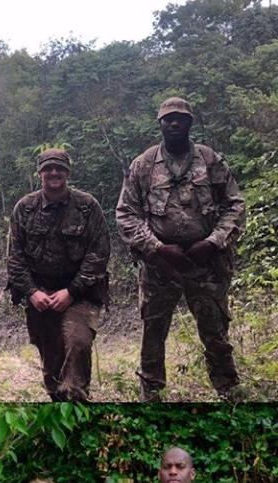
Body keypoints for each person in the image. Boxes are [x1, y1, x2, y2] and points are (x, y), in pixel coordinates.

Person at [115, 97, 246, 402]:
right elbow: (126, 213)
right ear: (159, 123)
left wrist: (213, 241)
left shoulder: (210, 160)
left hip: (206, 262)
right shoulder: (144, 164)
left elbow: (235, 205)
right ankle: (152, 392)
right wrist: (157, 248)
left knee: (215, 329)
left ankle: (228, 389)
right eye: (168, 119)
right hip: (161, 265)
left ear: (190, 123)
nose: (174, 124)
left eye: (181, 119)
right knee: (154, 331)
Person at [8, 148, 110, 402]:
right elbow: (14, 259)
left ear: (68, 172)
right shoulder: (25, 208)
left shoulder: (87, 206)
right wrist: (32, 292)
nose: (54, 173)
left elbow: (99, 253)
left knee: (78, 344)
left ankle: (77, 403)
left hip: (80, 294)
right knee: (51, 359)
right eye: (48, 168)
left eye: (60, 168)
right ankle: (57, 402)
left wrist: (72, 291)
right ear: (40, 173)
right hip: (40, 295)